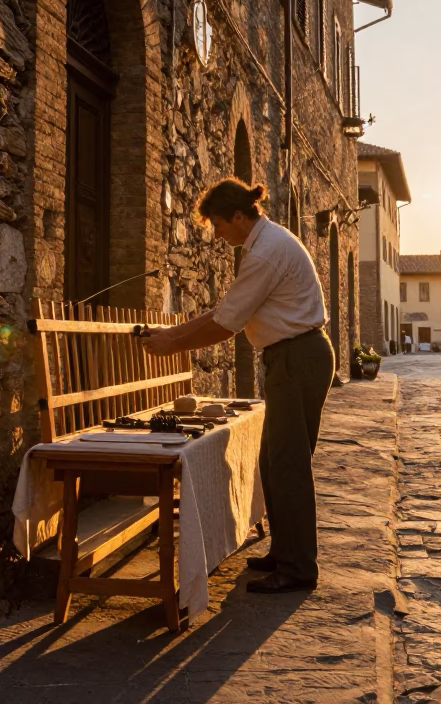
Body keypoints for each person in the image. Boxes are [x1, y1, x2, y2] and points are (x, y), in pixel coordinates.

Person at [140, 178, 334, 594]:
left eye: (218, 224)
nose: (216, 233)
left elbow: (226, 325)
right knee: (273, 462)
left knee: (287, 466)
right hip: (295, 356)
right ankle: (286, 553)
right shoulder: (264, 244)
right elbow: (227, 310)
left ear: (240, 216)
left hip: (296, 358)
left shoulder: (264, 253)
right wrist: (172, 332)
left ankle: (298, 568)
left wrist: (171, 344)